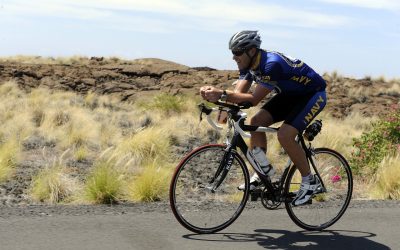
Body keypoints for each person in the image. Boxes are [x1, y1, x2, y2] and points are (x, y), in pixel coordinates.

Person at [200, 30, 327, 206]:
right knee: (255, 122)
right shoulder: (249, 64)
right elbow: (238, 94)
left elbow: (253, 99)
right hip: (290, 96)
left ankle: (310, 181)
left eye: (237, 52)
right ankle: (263, 174)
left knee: (285, 135)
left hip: (313, 95)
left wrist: (221, 93)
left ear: (251, 50)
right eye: (232, 52)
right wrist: (219, 101)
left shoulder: (271, 65)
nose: (234, 57)